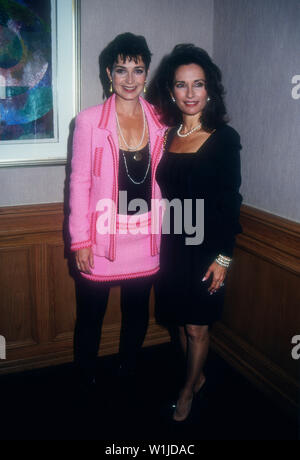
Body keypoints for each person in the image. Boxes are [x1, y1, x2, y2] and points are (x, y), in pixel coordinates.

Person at [151, 44, 242, 421]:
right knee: (176, 320)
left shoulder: (224, 137)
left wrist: (224, 257)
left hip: (207, 249)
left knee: (196, 326)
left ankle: (188, 390)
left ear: (210, 90)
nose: (190, 94)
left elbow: (230, 200)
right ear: (171, 91)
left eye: (198, 84)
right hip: (172, 244)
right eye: (181, 85)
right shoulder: (167, 136)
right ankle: (197, 374)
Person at [69, 33, 165, 388]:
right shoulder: (89, 121)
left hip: (145, 236)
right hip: (101, 237)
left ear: (146, 74)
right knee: (91, 316)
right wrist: (81, 240)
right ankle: (84, 378)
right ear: (108, 73)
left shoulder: (161, 120)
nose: (129, 80)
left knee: (137, 313)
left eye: (137, 71)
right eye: (121, 70)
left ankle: (127, 369)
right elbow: (78, 183)